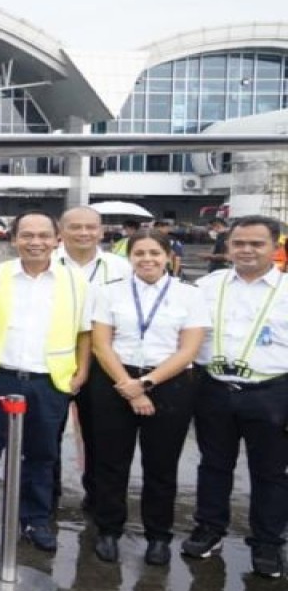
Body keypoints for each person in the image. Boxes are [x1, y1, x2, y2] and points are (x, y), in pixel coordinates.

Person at [0, 211, 92, 553]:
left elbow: (85, 333)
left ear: (57, 240)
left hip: (49, 382)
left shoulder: (76, 282)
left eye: (43, 235)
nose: (35, 242)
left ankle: (35, 520)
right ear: (13, 239)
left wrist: (79, 374)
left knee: (42, 455)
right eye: (27, 235)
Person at [88, 230, 208, 566]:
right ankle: (108, 530)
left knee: (161, 466)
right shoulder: (109, 293)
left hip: (168, 383)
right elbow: (101, 344)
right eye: (139, 253)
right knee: (111, 462)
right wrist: (128, 384)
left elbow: (188, 350)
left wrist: (146, 383)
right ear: (130, 258)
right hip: (116, 380)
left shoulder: (189, 295)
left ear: (168, 256)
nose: (147, 259)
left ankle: (158, 536)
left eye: (155, 253)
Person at [182, 215, 288, 579]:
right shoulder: (207, 286)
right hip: (214, 388)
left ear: (275, 247)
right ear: (228, 247)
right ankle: (209, 529)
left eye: (256, 244)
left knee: (271, 473)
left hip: (272, 390)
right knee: (213, 465)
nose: (246, 250)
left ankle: (268, 543)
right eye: (239, 243)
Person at [54, 206, 132, 511]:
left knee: (101, 434)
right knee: (47, 433)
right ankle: (46, 495)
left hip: (104, 360)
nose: (84, 233)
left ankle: (98, 496)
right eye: (75, 227)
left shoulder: (121, 267)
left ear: (101, 231)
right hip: (55, 357)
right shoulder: (46, 263)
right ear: (62, 231)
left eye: (90, 227)